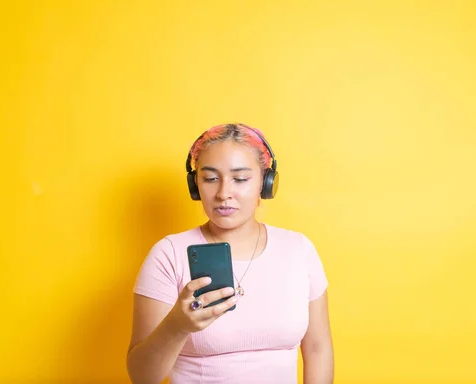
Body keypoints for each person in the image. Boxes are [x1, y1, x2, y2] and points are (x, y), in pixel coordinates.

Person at [126, 123, 334, 384]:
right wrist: (176, 326)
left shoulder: (299, 249)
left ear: (265, 183)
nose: (224, 194)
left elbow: (318, 349)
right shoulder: (168, 254)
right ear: (195, 185)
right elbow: (141, 376)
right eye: (211, 178)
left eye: (240, 179)